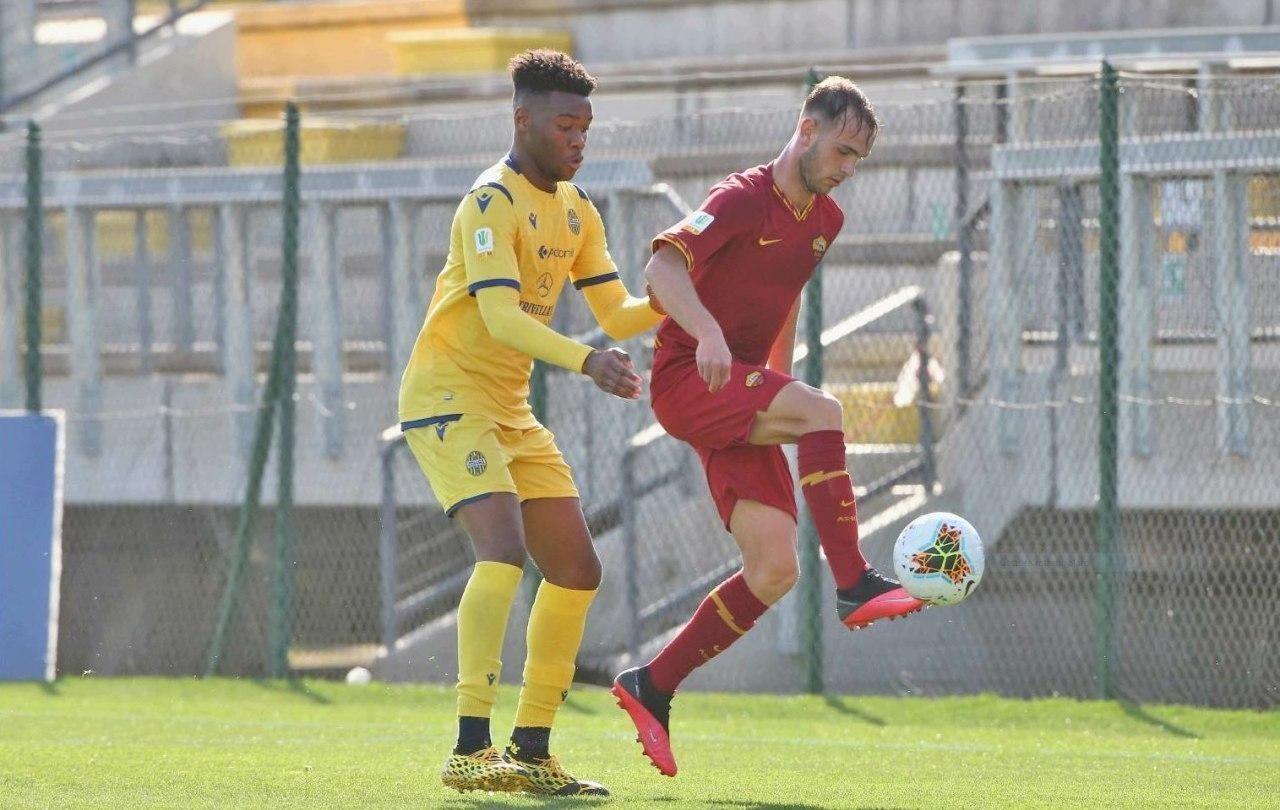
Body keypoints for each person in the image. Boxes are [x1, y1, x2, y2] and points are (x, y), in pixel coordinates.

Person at [611, 77, 924, 777]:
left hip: (739, 389)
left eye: (857, 161)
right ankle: (855, 584)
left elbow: (779, 310)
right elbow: (661, 269)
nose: (846, 171)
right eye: (841, 151)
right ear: (805, 129)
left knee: (775, 569)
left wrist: (778, 394)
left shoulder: (824, 221)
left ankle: (651, 686)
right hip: (690, 376)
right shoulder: (742, 196)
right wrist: (710, 334)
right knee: (826, 412)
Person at [398, 49, 663, 796]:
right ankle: (470, 748)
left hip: (508, 410)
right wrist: (587, 363)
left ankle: (534, 747)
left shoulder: (577, 211)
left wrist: (691, 290)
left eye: (586, 127)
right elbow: (501, 317)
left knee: (577, 569)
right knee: (505, 553)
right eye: (565, 125)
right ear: (523, 119)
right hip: (448, 398)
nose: (579, 140)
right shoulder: (490, 202)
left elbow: (618, 312)